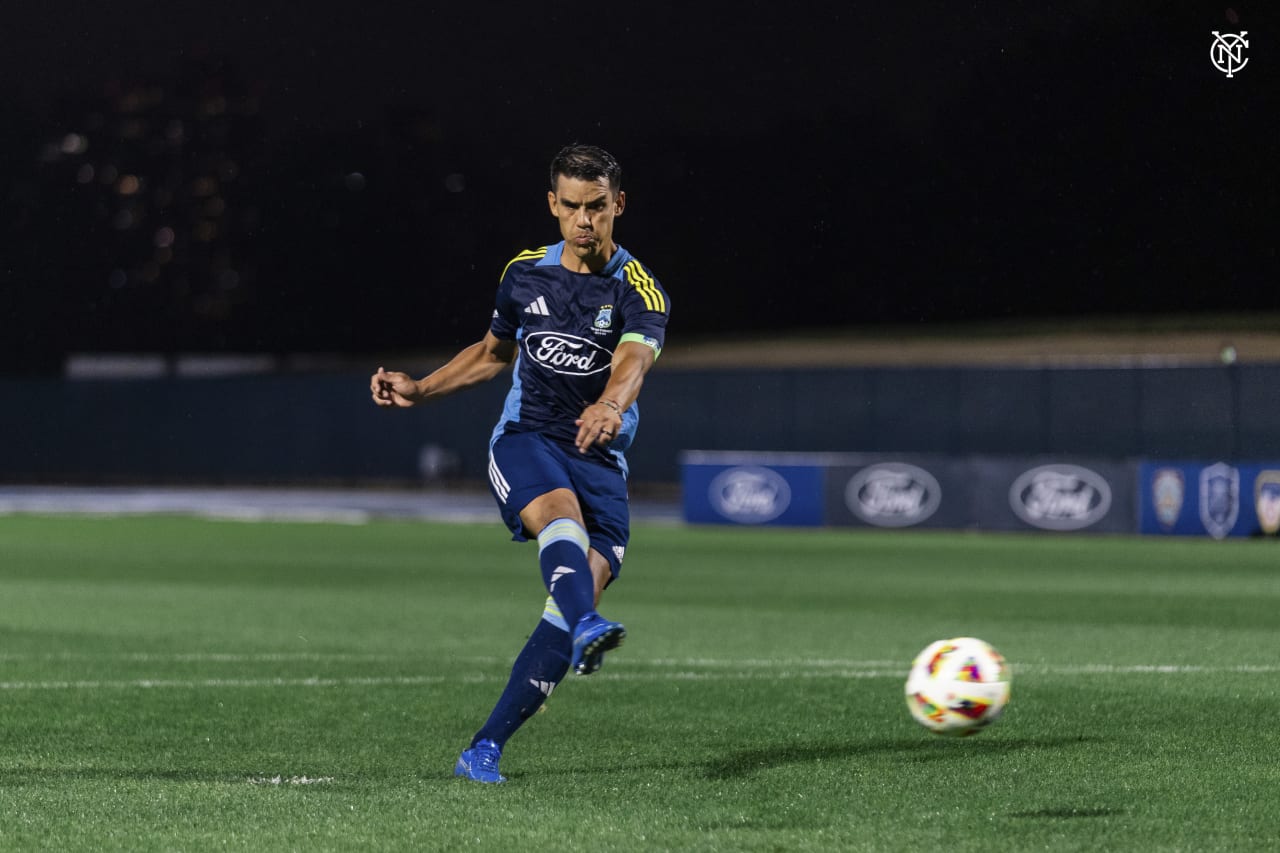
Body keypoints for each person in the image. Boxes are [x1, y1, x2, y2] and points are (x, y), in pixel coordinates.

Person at [370, 144, 671, 784]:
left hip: (601, 459)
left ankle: (484, 748)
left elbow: (634, 361)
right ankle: (587, 618)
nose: (583, 221)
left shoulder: (638, 289)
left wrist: (611, 405)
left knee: (561, 614)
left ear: (619, 205)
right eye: (570, 207)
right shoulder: (523, 274)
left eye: (596, 207)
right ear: (552, 205)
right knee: (562, 529)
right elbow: (490, 353)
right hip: (527, 437)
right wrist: (421, 388)